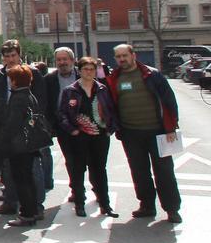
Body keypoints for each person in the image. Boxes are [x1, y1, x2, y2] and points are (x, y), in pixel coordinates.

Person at [106, 43, 181, 223]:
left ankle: (172, 209)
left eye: (125, 55)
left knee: (164, 172)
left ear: (133, 55)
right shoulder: (114, 78)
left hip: (159, 132)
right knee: (139, 172)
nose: (122, 59)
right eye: (118, 56)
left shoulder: (152, 74)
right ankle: (147, 205)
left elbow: (169, 101)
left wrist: (171, 128)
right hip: (131, 134)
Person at [0, 40, 50, 218]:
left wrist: (33, 121)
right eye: (7, 56)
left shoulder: (31, 73)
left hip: (27, 129)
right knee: (9, 169)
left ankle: (36, 206)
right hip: (6, 125)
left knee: (32, 170)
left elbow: (41, 100)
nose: (10, 59)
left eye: (13, 55)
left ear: (19, 55)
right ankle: (10, 201)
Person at [58, 56, 120, 218]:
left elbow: (111, 109)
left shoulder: (102, 89)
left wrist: (110, 129)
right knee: (78, 170)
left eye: (92, 69)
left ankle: (105, 205)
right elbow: (62, 114)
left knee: (99, 170)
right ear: (79, 71)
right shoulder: (70, 90)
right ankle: (80, 204)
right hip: (79, 137)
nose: (89, 72)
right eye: (85, 69)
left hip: (100, 136)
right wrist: (72, 130)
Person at [0, 65, 42, 227]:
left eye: (11, 79)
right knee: (28, 178)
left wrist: (3, 140)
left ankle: (26, 214)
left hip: (18, 146)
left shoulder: (17, 98)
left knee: (21, 180)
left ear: (15, 81)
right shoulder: (30, 95)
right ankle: (33, 211)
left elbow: (12, 124)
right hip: (30, 144)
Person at [47, 48, 80, 203]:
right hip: (63, 126)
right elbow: (47, 103)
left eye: (65, 59)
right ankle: (76, 189)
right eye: (59, 60)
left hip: (84, 124)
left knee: (90, 160)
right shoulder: (49, 79)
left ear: (72, 60)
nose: (62, 62)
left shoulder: (82, 74)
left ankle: (97, 189)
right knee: (71, 159)